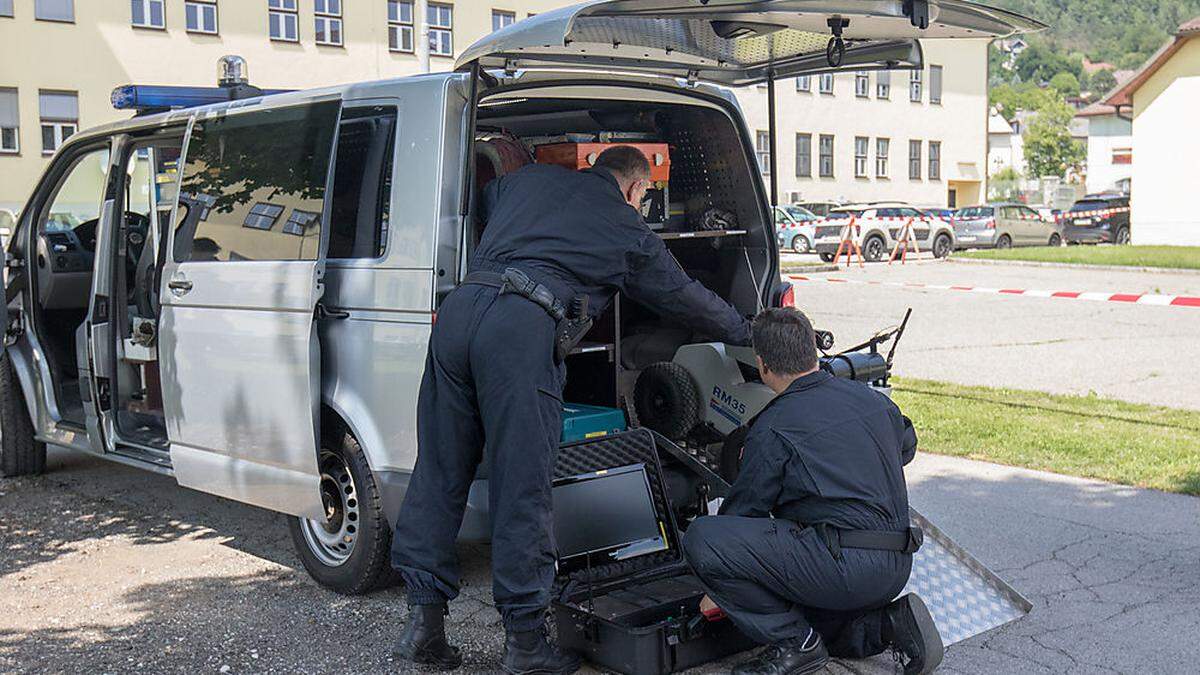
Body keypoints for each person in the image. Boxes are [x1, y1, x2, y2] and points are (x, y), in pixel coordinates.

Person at [391, 146, 752, 674]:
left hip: (459, 312)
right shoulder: (626, 227)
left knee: (439, 471)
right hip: (519, 329)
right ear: (634, 188)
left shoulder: (527, 182)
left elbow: (486, 194)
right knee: (524, 484)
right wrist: (749, 333)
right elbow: (684, 297)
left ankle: (423, 626)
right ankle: (525, 646)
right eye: (645, 196)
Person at [682, 307, 942, 675]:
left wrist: (718, 584)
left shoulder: (772, 425)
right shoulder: (874, 401)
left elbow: (744, 514)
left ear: (762, 365)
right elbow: (906, 447)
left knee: (704, 539)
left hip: (842, 570)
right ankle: (888, 624)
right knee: (809, 603)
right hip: (897, 565)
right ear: (812, 352)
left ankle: (795, 644)